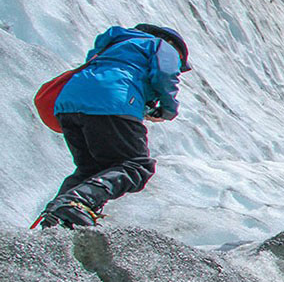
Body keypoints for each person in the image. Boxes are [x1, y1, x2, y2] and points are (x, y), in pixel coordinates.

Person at [39, 24, 190, 228]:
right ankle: (78, 203)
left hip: (69, 103)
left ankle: (56, 216)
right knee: (137, 166)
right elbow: (165, 76)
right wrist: (167, 109)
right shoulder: (162, 45)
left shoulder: (115, 44)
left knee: (91, 169)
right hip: (111, 101)